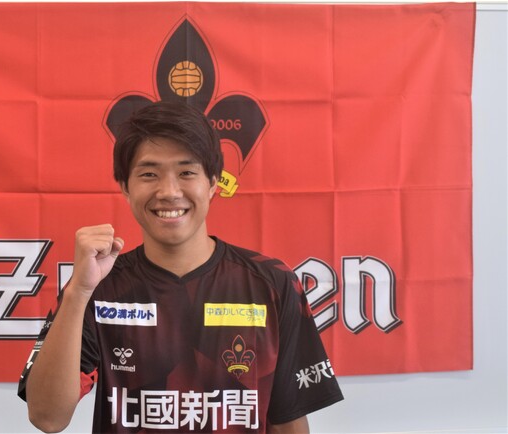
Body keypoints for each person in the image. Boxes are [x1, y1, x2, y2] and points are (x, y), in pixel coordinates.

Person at [18, 101, 343, 433]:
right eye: (149, 174)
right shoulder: (96, 286)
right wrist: (78, 292)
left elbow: (287, 419)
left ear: (213, 182)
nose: (169, 192)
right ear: (125, 187)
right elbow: (47, 417)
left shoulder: (272, 283)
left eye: (187, 172)